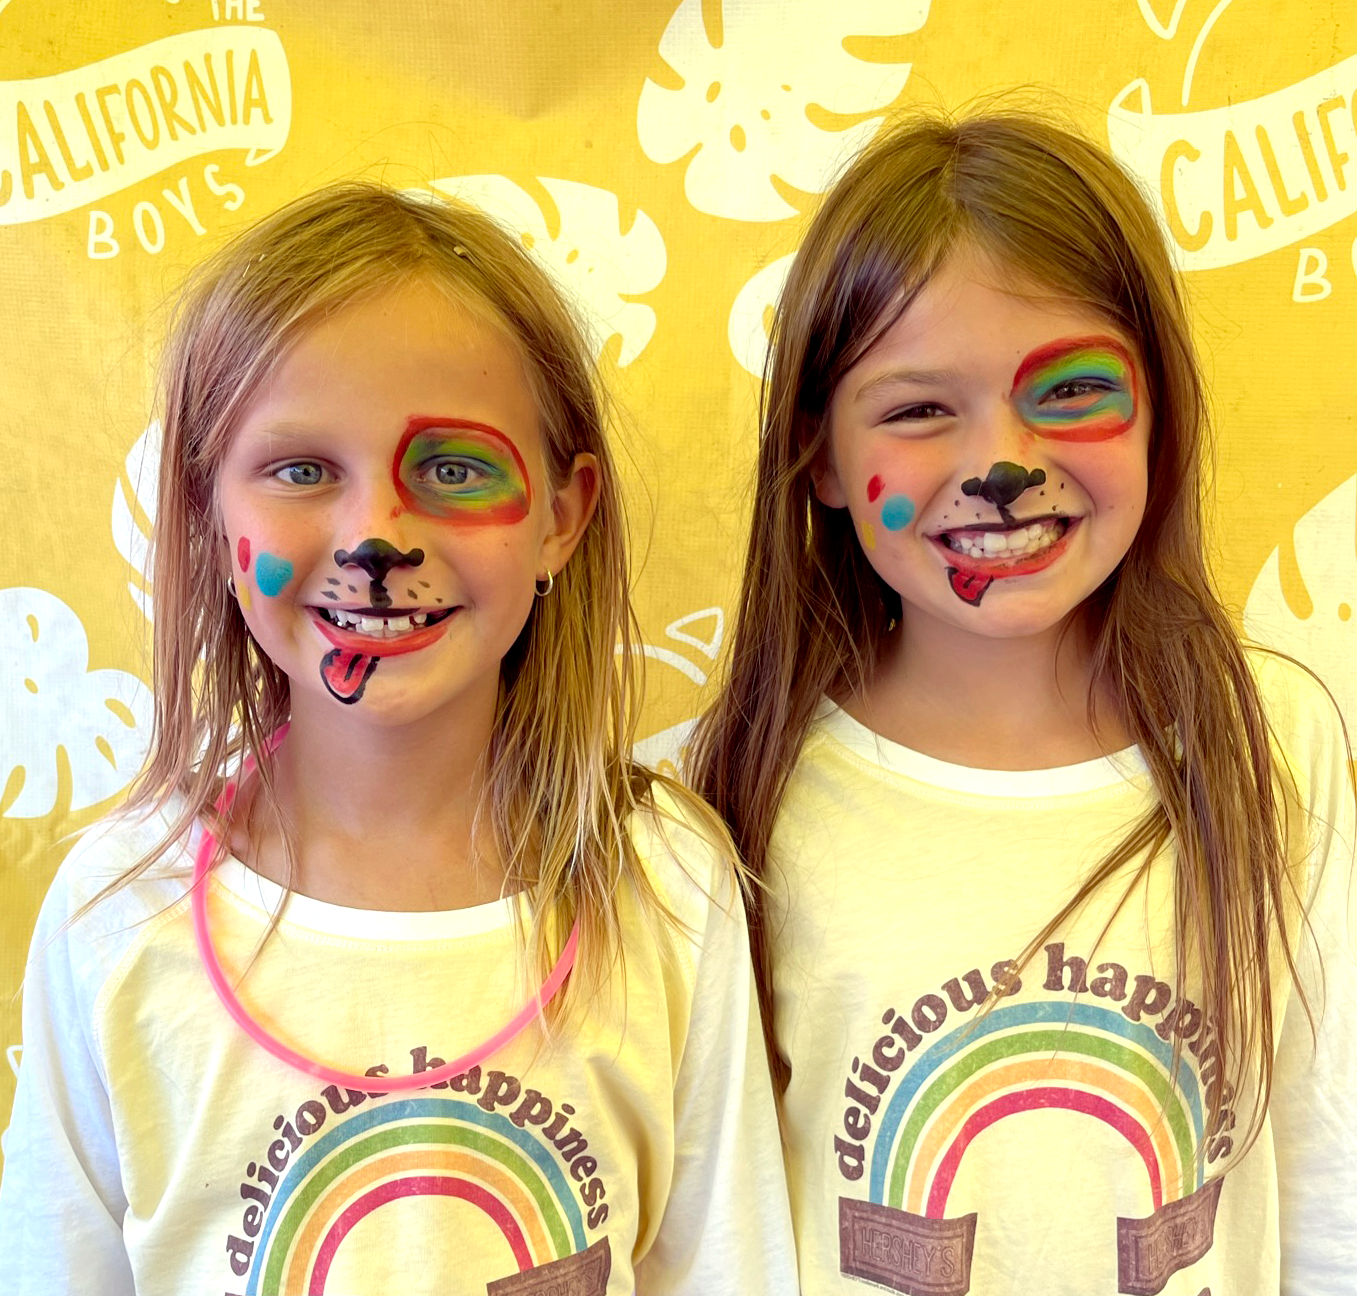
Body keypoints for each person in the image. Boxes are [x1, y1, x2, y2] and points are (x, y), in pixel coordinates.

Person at [0, 182, 795, 1295]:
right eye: (301, 470)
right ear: (208, 513)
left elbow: (726, 1268)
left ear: (561, 517)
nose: (374, 536)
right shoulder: (117, 909)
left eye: (453, 470)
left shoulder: (662, 881)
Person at [689, 112, 1356, 1294]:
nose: (1001, 464)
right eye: (917, 409)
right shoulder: (727, 785)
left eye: (1072, 390)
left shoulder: (1269, 738)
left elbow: (1327, 1172)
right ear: (821, 456)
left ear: (1158, 409)